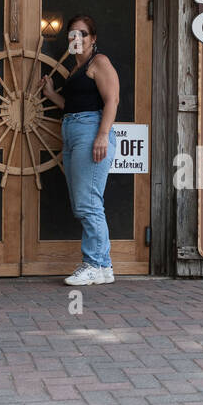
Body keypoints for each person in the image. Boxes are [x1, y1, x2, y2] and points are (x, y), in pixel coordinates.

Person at [38, 14, 120, 286]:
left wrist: (103, 136)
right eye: (72, 34)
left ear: (93, 38)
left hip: (91, 131)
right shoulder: (75, 70)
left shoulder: (100, 62)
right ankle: (104, 267)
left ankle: (93, 264)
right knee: (84, 203)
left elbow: (112, 100)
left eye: (83, 34)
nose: (77, 38)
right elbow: (73, 106)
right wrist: (51, 94)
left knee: (88, 203)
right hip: (72, 130)